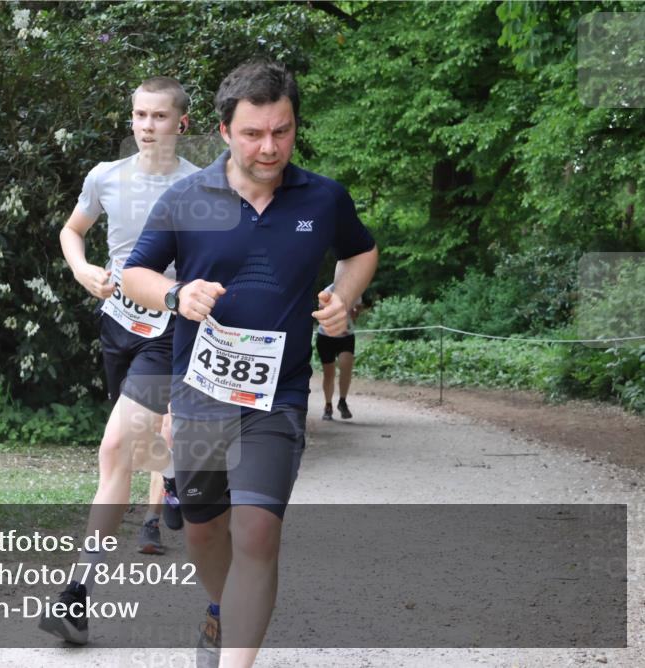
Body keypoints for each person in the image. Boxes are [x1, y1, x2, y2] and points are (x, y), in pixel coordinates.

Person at [123, 61, 378, 668]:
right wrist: (176, 296)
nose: (269, 147)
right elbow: (135, 273)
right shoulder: (189, 198)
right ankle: (222, 611)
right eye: (253, 134)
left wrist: (343, 299)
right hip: (201, 394)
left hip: (277, 396)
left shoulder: (322, 197)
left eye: (282, 132)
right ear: (223, 131)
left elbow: (362, 251)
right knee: (207, 531)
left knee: (258, 532)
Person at [39, 76, 199, 645]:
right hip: (117, 326)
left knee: (114, 450)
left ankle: (76, 596)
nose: (146, 126)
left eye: (159, 116)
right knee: (138, 443)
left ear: (181, 123)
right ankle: (176, 475)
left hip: (171, 330)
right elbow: (71, 230)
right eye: (138, 115)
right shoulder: (105, 177)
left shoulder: (200, 186)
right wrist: (81, 269)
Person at [316, 279, 364, 420]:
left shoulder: (355, 291)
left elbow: (355, 316)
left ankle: (342, 402)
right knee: (329, 373)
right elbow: (321, 313)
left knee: (346, 367)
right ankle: (328, 405)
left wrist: (356, 311)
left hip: (346, 336)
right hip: (326, 336)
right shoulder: (327, 292)